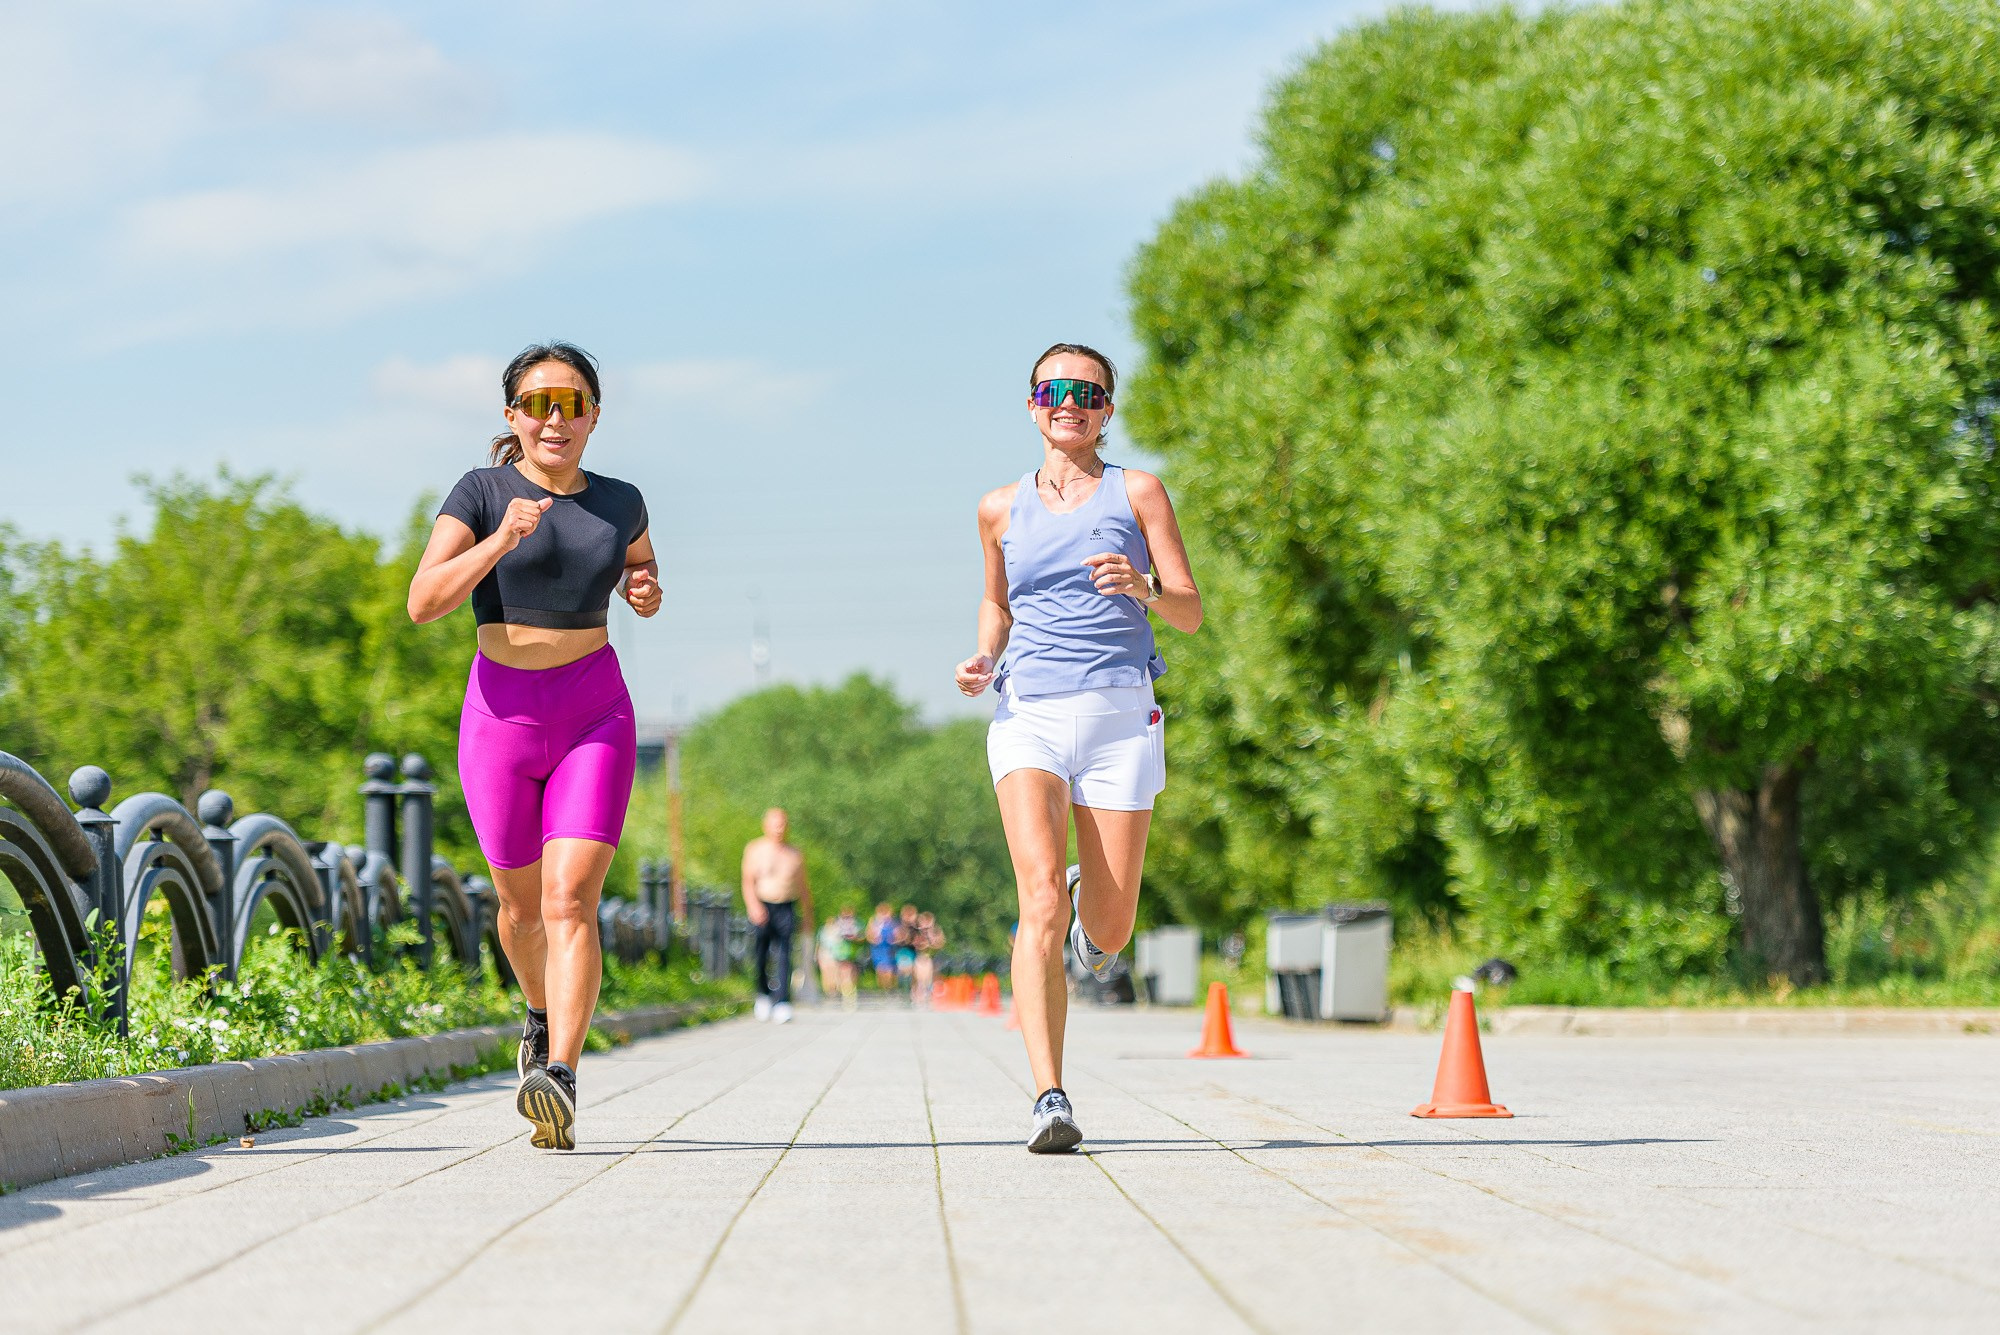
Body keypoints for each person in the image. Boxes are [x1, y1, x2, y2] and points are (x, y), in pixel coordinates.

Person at [408, 341, 658, 1151]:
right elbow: (423, 601)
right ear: (512, 415)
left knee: (569, 899)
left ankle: (561, 1074)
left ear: (594, 415)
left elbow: (642, 578)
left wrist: (645, 589)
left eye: (573, 402)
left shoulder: (622, 501)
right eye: (540, 403)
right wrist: (498, 541)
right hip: (500, 715)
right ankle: (541, 1013)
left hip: (593, 710)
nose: (557, 418)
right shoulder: (481, 492)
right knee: (519, 910)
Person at [954, 341, 1202, 1154]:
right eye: (1054, 390)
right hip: (1029, 711)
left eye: (1087, 393)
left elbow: (1192, 609)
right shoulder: (998, 507)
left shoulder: (1139, 492)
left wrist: (1144, 588)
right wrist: (984, 657)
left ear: (1107, 410)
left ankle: (1087, 908)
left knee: (1110, 925)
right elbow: (998, 604)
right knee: (1038, 904)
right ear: (1031, 404)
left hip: (1120, 715)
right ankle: (1049, 1094)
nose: (1070, 403)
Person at [743, 807, 813, 1024]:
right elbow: (747, 881)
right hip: (762, 905)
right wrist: (753, 906)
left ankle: (782, 1001)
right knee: (761, 953)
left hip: (786, 906)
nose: (779, 828)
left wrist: (808, 914)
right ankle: (763, 994)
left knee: (784, 953)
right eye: (775, 823)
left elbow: (803, 887)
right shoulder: (755, 849)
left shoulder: (795, 854)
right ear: (765, 825)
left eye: (782, 823)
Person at [817, 907, 861, 1010]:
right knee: (837, 974)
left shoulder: (854, 925)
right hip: (836, 954)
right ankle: (839, 992)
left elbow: (859, 937)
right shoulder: (833, 928)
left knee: (846, 974)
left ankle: (847, 994)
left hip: (847, 953)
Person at [911, 910, 943, 1006]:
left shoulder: (935, 931)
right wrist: (924, 944)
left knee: (929, 979)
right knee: (920, 979)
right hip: (920, 957)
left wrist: (931, 941)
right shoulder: (917, 932)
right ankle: (917, 997)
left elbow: (940, 943)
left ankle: (929, 996)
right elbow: (915, 944)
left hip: (930, 957)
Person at [865, 903, 899, 991]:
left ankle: (890, 988)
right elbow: (868, 935)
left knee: (890, 969)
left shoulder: (892, 923)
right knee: (880, 969)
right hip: (878, 949)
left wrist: (894, 939)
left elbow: (898, 935)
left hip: (889, 949)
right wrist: (874, 939)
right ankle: (883, 988)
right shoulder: (873, 922)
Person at [894, 903, 921, 996]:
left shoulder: (916, 927)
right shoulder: (899, 926)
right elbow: (898, 939)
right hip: (903, 952)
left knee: (916, 972)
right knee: (905, 970)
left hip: (914, 952)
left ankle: (914, 991)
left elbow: (919, 941)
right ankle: (904, 990)